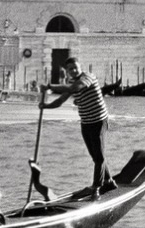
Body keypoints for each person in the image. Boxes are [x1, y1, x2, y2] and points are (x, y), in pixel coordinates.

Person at [44, 57, 115, 194]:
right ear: (67, 71)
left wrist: (50, 87)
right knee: (95, 156)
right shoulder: (70, 82)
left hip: (99, 121)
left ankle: (96, 187)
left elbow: (76, 87)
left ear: (80, 67)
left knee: (99, 157)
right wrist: (45, 106)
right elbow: (60, 101)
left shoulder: (88, 77)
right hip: (86, 122)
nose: (74, 70)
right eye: (70, 69)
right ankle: (109, 182)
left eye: (76, 67)